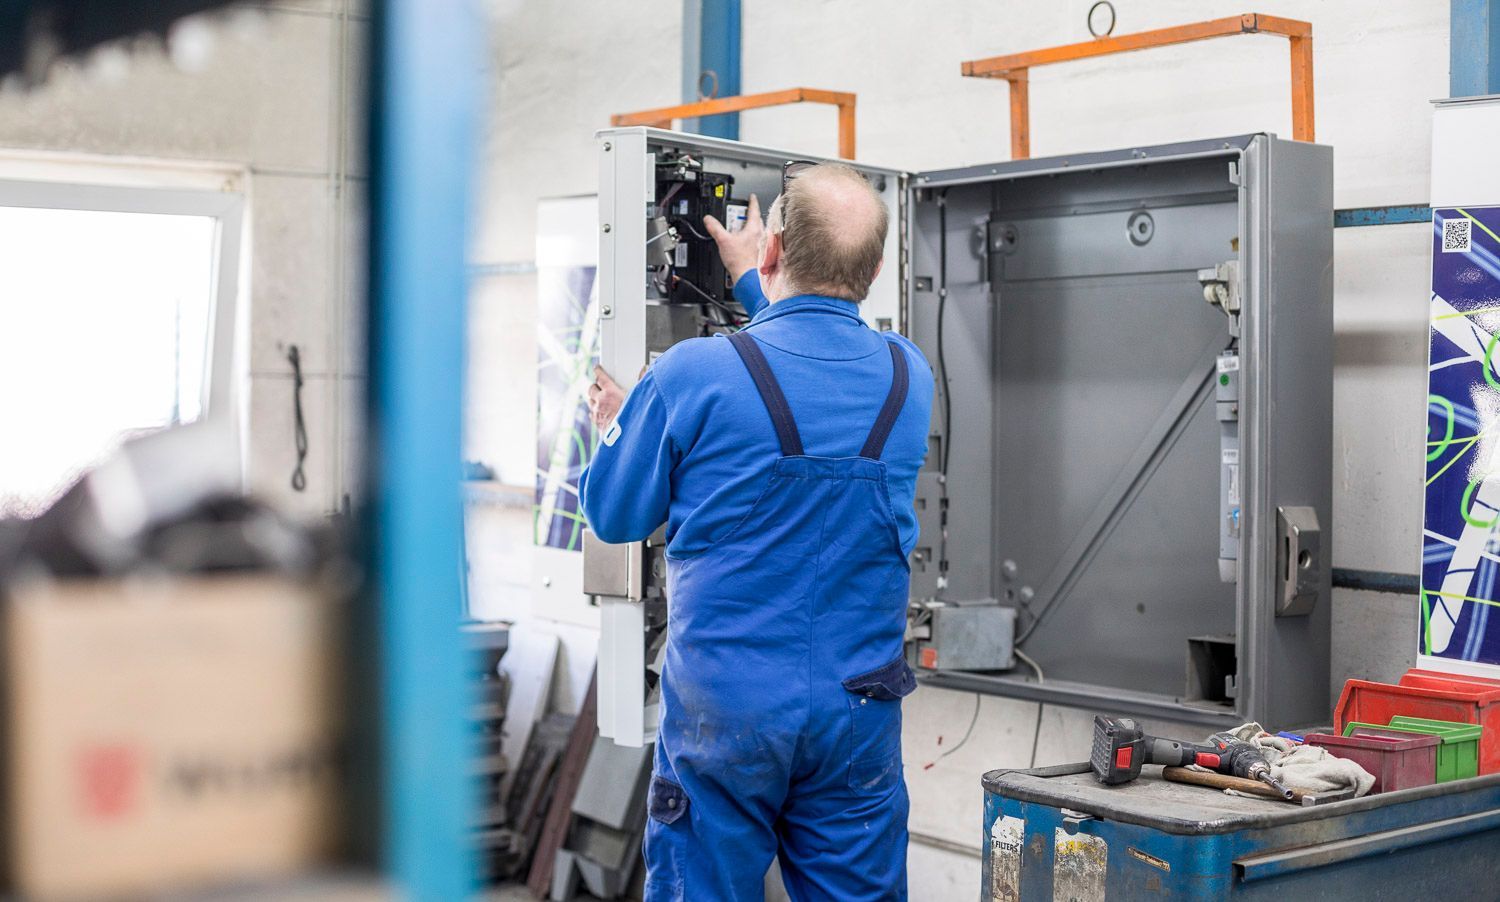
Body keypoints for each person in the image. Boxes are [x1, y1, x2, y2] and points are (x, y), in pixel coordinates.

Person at [580, 161, 933, 902]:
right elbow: (804, 355)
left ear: (773, 252)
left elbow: (613, 515)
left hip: (726, 713)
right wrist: (753, 281)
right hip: (857, 713)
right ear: (870, 272)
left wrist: (619, 428)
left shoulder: (689, 374)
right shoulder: (908, 376)